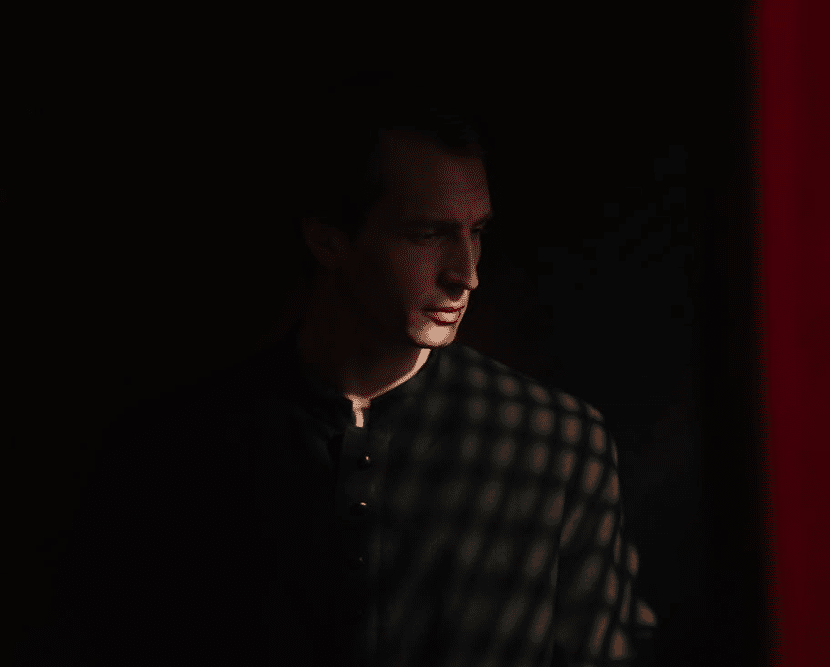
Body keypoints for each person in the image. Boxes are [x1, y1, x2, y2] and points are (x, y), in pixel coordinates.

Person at [44, 72, 658, 666]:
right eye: (426, 234)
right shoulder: (169, 454)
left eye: (477, 232)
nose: (466, 273)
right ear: (327, 239)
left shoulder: (558, 444)